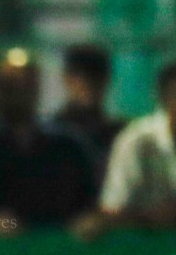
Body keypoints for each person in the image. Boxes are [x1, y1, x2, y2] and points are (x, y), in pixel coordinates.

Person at [74, 62, 176, 243]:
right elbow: (113, 207)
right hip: (139, 249)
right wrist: (155, 217)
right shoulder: (136, 141)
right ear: (163, 98)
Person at [0, 50, 96, 233]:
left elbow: (89, 204)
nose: (18, 92)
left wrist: (88, 221)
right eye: (9, 85)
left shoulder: (68, 148)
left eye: (25, 84)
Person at [51, 43, 126, 180]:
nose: (87, 84)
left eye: (95, 78)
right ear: (67, 80)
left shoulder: (119, 134)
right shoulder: (52, 135)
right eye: (81, 77)